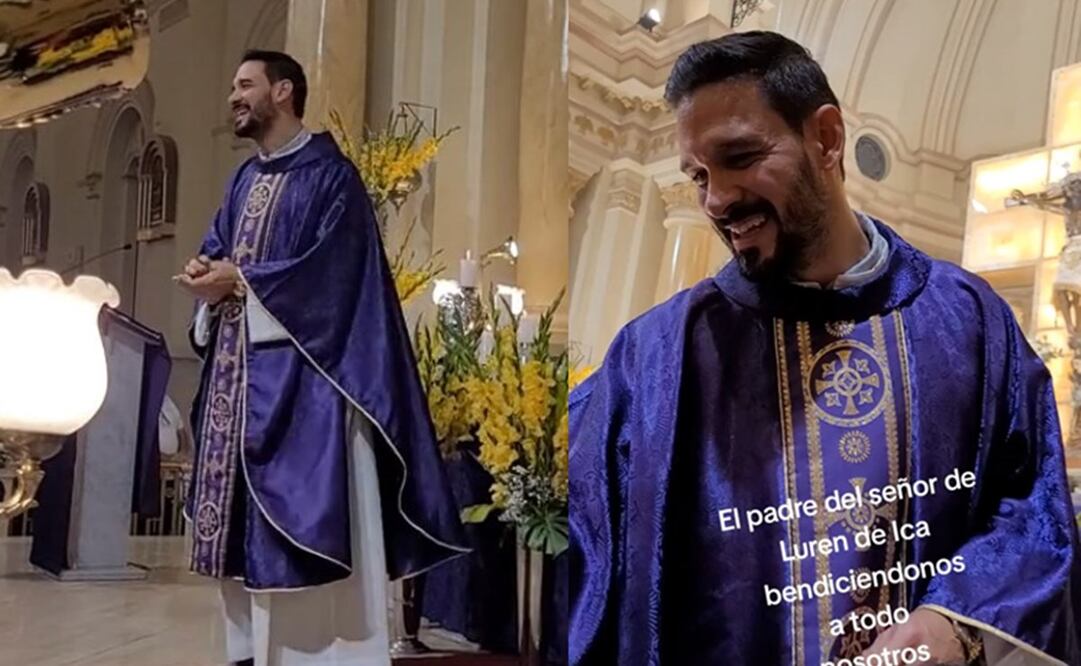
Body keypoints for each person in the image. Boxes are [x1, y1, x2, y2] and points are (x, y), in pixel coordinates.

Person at [569, 31, 1081, 666]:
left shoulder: (969, 322)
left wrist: (961, 620)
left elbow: (1033, 505)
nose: (717, 199)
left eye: (740, 156)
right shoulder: (654, 357)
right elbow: (593, 572)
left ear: (828, 139)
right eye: (699, 175)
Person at [175, 50, 468, 666]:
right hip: (238, 386)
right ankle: (247, 655)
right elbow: (220, 252)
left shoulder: (333, 177)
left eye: (244, 84)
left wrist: (243, 281)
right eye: (233, 84)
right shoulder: (243, 180)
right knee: (239, 551)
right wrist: (207, 277)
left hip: (304, 397)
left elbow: (336, 280)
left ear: (282, 92)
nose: (233, 95)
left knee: (305, 550)